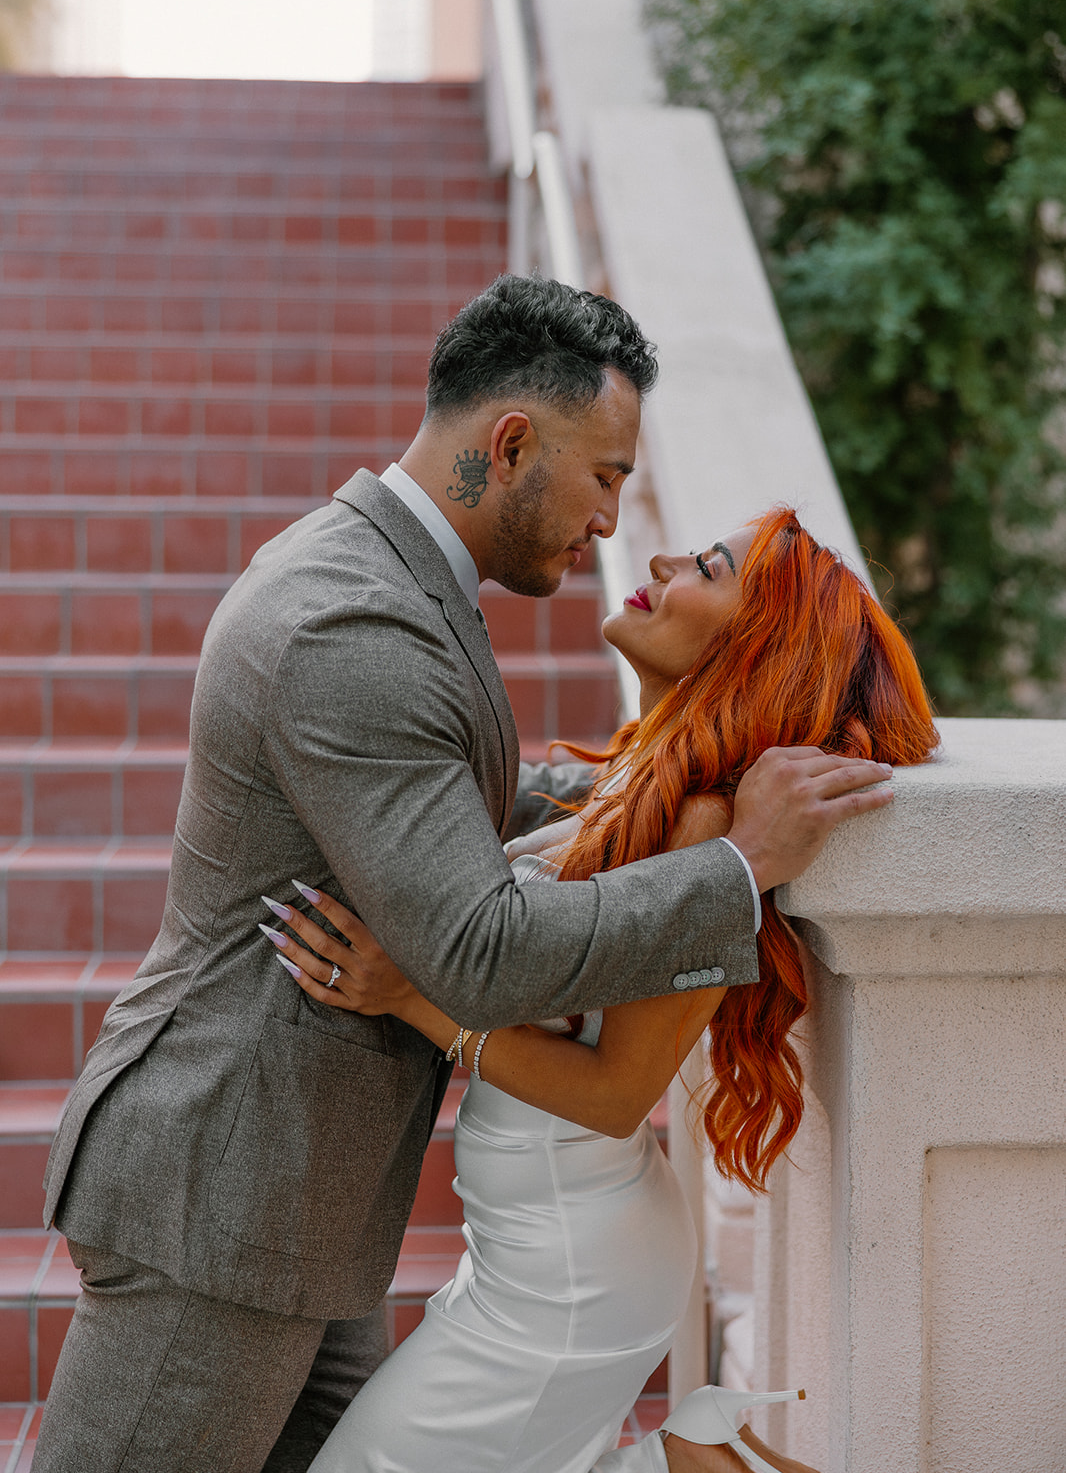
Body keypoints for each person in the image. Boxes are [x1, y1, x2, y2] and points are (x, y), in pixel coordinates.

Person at [33, 277, 894, 1473]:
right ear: (509, 443)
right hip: (226, 1187)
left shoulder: (396, 582)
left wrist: (666, 777)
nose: (610, 523)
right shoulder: (355, 621)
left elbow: (455, 795)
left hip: (302, 1192)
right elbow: (480, 950)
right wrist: (737, 867)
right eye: (604, 477)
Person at [263, 507, 938, 1473]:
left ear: (751, 646)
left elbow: (622, 1092)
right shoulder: (638, 783)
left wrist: (411, 998)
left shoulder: (705, 829)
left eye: (707, 566)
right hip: (540, 1244)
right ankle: (694, 1462)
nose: (659, 557)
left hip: (570, 1270)